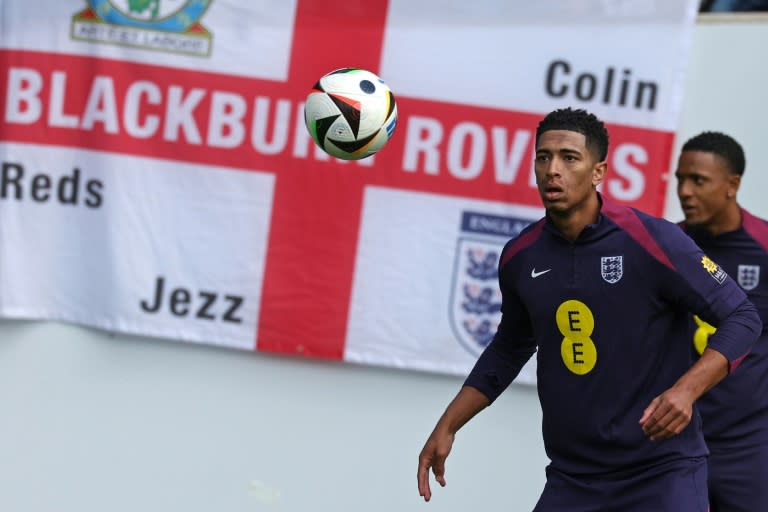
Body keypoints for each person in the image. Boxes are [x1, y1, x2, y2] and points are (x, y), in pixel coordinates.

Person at [416, 108, 762, 511]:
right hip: (573, 479)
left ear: (598, 172)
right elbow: (509, 348)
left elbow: (743, 317)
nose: (552, 170)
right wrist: (449, 424)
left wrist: (685, 391)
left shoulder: (651, 240)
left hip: (662, 473)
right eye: (543, 157)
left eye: (569, 157)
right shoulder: (520, 257)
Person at [676, 131, 768, 511]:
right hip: (676, 441)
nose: (684, 191)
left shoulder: (763, 247)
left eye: (698, 180)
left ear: (732, 185)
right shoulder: (670, 245)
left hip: (750, 445)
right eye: (680, 179)